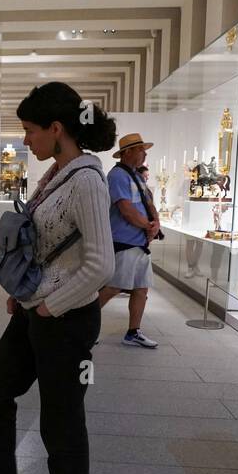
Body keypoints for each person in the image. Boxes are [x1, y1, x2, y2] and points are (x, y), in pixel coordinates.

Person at [0, 82, 115, 474]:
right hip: (37, 311)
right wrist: (28, 292)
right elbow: (51, 248)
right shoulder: (57, 175)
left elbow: (102, 263)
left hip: (65, 318)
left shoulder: (85, 181)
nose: (26, 140)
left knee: (61, 414)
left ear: (57, 128)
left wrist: (50, 305)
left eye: (30, 130)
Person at [96, 133, 161, 348]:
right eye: (141, 149)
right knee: (114, 286)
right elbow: (126, 210)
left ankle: (133, 332)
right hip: (124, 241)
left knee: (141, 288)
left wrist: (155, 223)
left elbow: (148, 202)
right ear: (128, 152)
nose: (144, 153)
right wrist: (148, 226)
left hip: (139, 243)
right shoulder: (117, 176)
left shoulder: (136, 177)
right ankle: (82, 324)